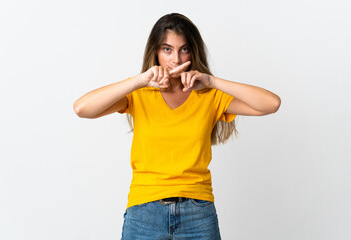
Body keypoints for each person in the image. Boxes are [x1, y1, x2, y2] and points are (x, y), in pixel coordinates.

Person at [73, 13, 281, 240]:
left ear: (193, 52)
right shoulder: (139, 94)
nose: (176, 59)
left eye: (184, 49)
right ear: (156, 52)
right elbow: (82, 108)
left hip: (198, 213)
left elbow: (271, 104)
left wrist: (212, 81)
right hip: (144, 211)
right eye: (167, 49)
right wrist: (141, 80)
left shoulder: (209, 96)